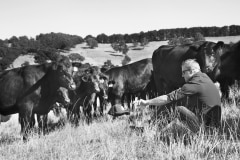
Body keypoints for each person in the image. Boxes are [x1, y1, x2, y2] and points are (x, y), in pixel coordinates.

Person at [134, 59, 221, 135]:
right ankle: (149, 127)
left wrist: (147, 102)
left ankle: (149, 129)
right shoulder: (204, 77)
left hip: (207, 129)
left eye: (183, 72)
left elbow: (167, 98)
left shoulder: (195, 83)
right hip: (213, 126)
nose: (182, 75)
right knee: (176, 101)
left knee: (175, 108)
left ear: (192, 71)